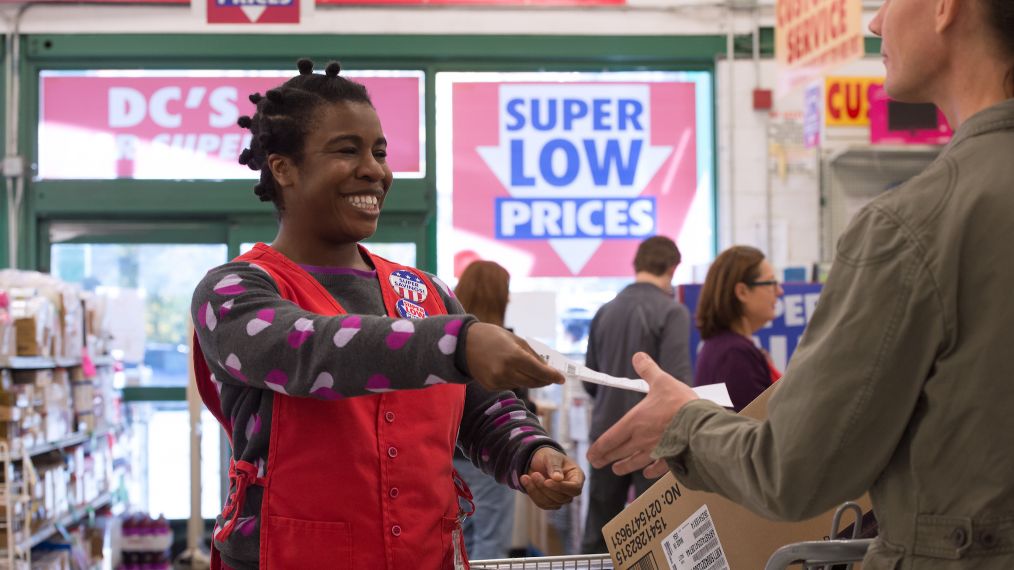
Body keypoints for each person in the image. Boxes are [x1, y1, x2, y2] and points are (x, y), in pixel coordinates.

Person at [587, 0, 1014, 567]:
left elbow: (791, 468)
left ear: (945, 8)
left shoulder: (914, 227)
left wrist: (682, 422)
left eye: (887, 0)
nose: (875, 22)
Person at [191, 59, 584, 570]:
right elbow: (308, 351)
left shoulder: (424, 292)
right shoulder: (235, 291)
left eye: (379, 151)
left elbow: (482, 411)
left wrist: (533, 455)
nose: (374, 169)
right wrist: (457, 344)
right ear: (283, 167)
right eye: (347, 150)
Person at [580, 236, 693, 554]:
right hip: (654, 441)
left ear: (637, 265)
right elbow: (677, 386)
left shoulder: (604, 311)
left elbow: (590, 382)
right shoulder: (672, 313)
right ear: (673, 268)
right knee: (659, 533)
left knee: (599, 532)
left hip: (606, 435)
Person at [450, 260, 530, 560]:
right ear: (498, 295)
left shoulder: (449, 341)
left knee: (462, 539)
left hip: (451, 457)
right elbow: (509, 407)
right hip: (493, 459)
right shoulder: (504, 347)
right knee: (491, 540)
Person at [694, 246, 783, 412]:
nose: (779, 291)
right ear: (742, 292)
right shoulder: (734, 354)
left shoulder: (724, 347)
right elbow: (756, 428)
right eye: (771, 283)